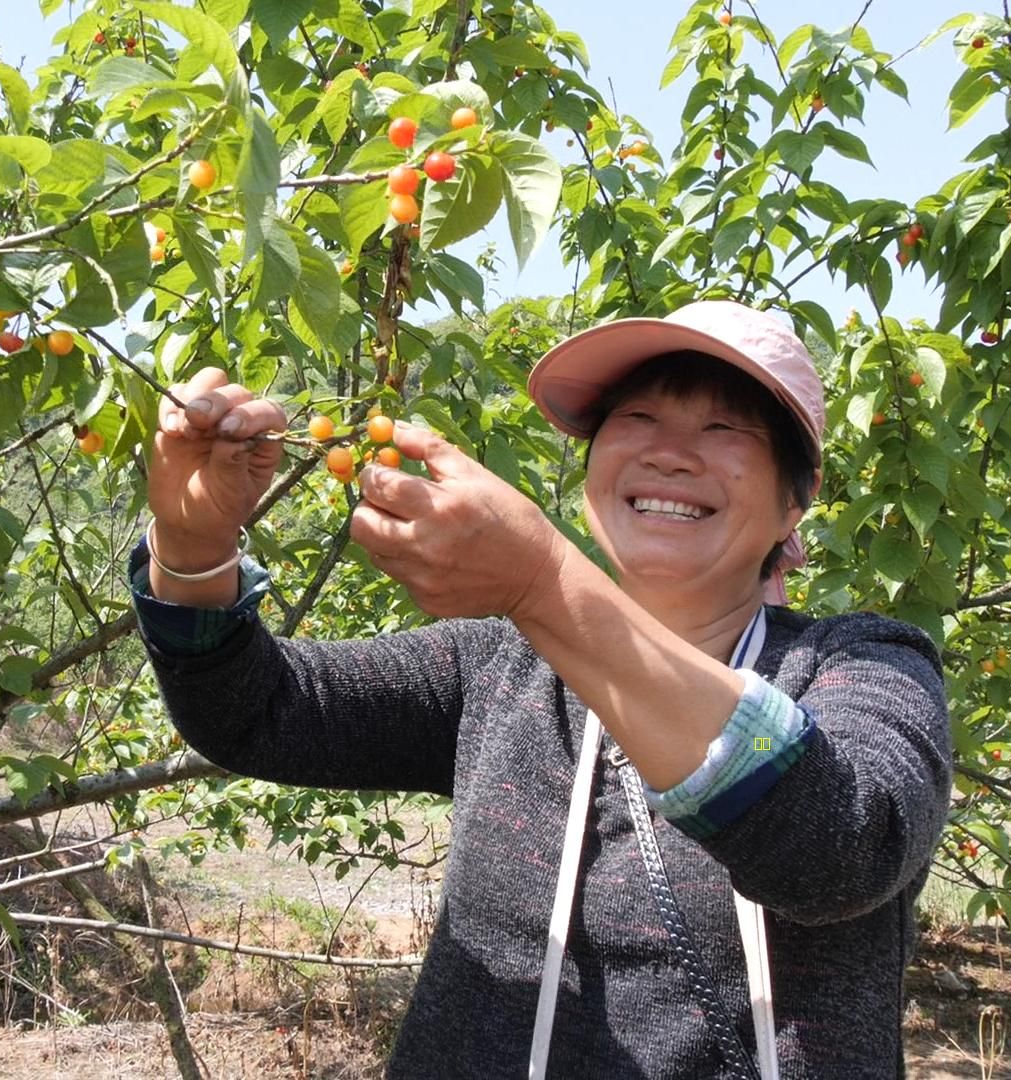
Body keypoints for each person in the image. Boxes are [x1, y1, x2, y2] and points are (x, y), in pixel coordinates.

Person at [125, 299, 954, 1078]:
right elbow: (257, 714)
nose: (670, 451)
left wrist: (540, 584)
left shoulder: (864, 665)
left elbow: (838, 853)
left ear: (791, 506)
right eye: (636, 419)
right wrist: (193, 548)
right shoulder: (498, 668)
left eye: (725, 427)